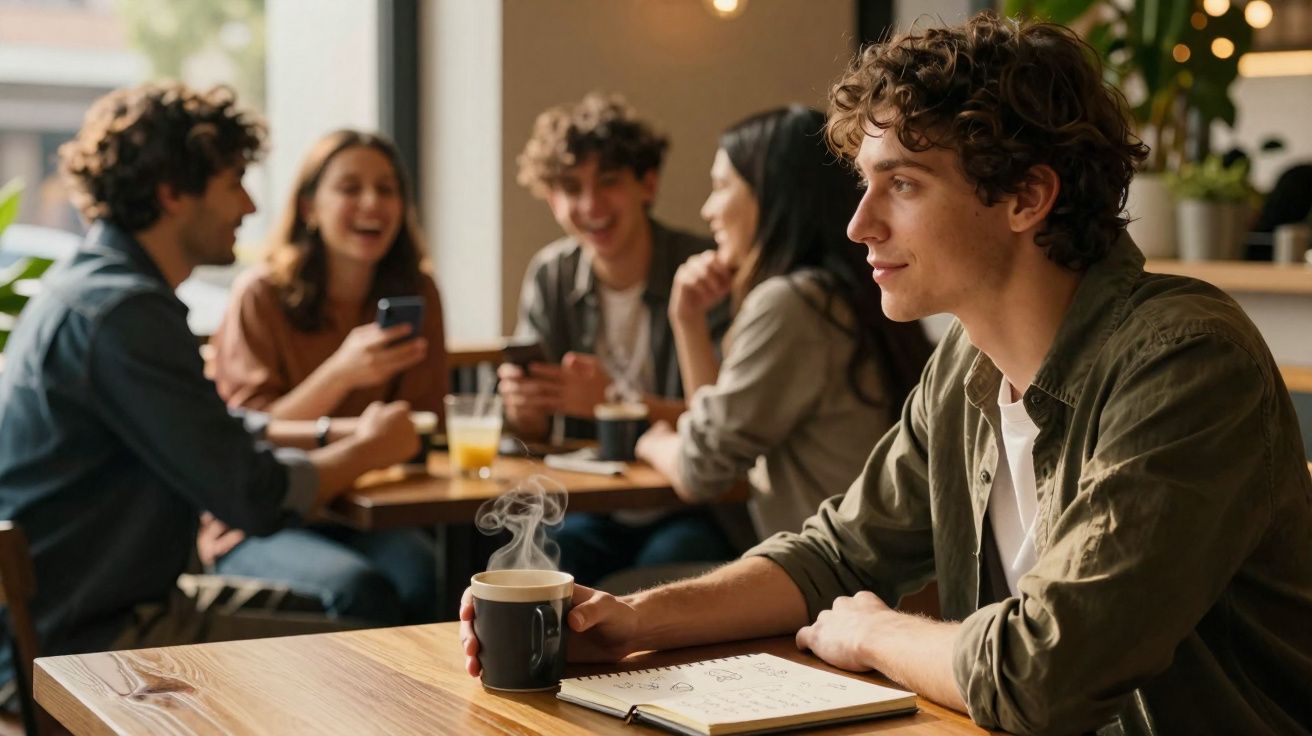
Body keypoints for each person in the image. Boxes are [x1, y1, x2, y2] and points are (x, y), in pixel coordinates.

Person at [462, 14, 1312, 734]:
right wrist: (630, 623)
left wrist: (873, 635)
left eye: (901, 184)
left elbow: (1048, 666)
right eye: (864, 186)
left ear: (1026, 198)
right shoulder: (965, 366)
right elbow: (837, 552)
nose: (860, 225)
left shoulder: (1184, 359)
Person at [0, 83, 420, 692]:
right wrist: (365, 453)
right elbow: (251, 495)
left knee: (374, 615)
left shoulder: (94, 289)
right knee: (374, 659)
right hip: (86, 645)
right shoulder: (124, 315)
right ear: (173, 194)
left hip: (81, 615)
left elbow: (202, 426)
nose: (249, 205)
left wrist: (332, 431)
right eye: (232, 183)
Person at [636, 106, 933, 540]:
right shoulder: (843, 292)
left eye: (720, 187)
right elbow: (714, 445)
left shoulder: (793, 305)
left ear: (770, 194)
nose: (708, 209)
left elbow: (701, 470)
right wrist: (688, 321)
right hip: (870, 571)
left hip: (835, 582)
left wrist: (649, 441)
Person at [205, 130, 444, 625]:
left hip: (359, 513)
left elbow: (427, 424)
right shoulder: (261, 295)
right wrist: (338, 373)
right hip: (261, 521)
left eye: (387, 189)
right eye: (350, 188)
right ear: (310, 207)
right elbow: (247, 432)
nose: (372, 203)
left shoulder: (417, 291)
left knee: (428, 574)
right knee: (361, 589)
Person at [503, 92, 735, 586]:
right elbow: (532, 434)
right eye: (570, 187)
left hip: (686, 505)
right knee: (539, 566)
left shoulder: (701, 271)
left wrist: (611, 401)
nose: (591, 205)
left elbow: (725, 421)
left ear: (646, 184)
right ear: (551, 197)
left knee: (663, 579)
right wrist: (526, 409)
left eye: (608, 182)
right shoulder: (552, 275)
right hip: (588, 502)